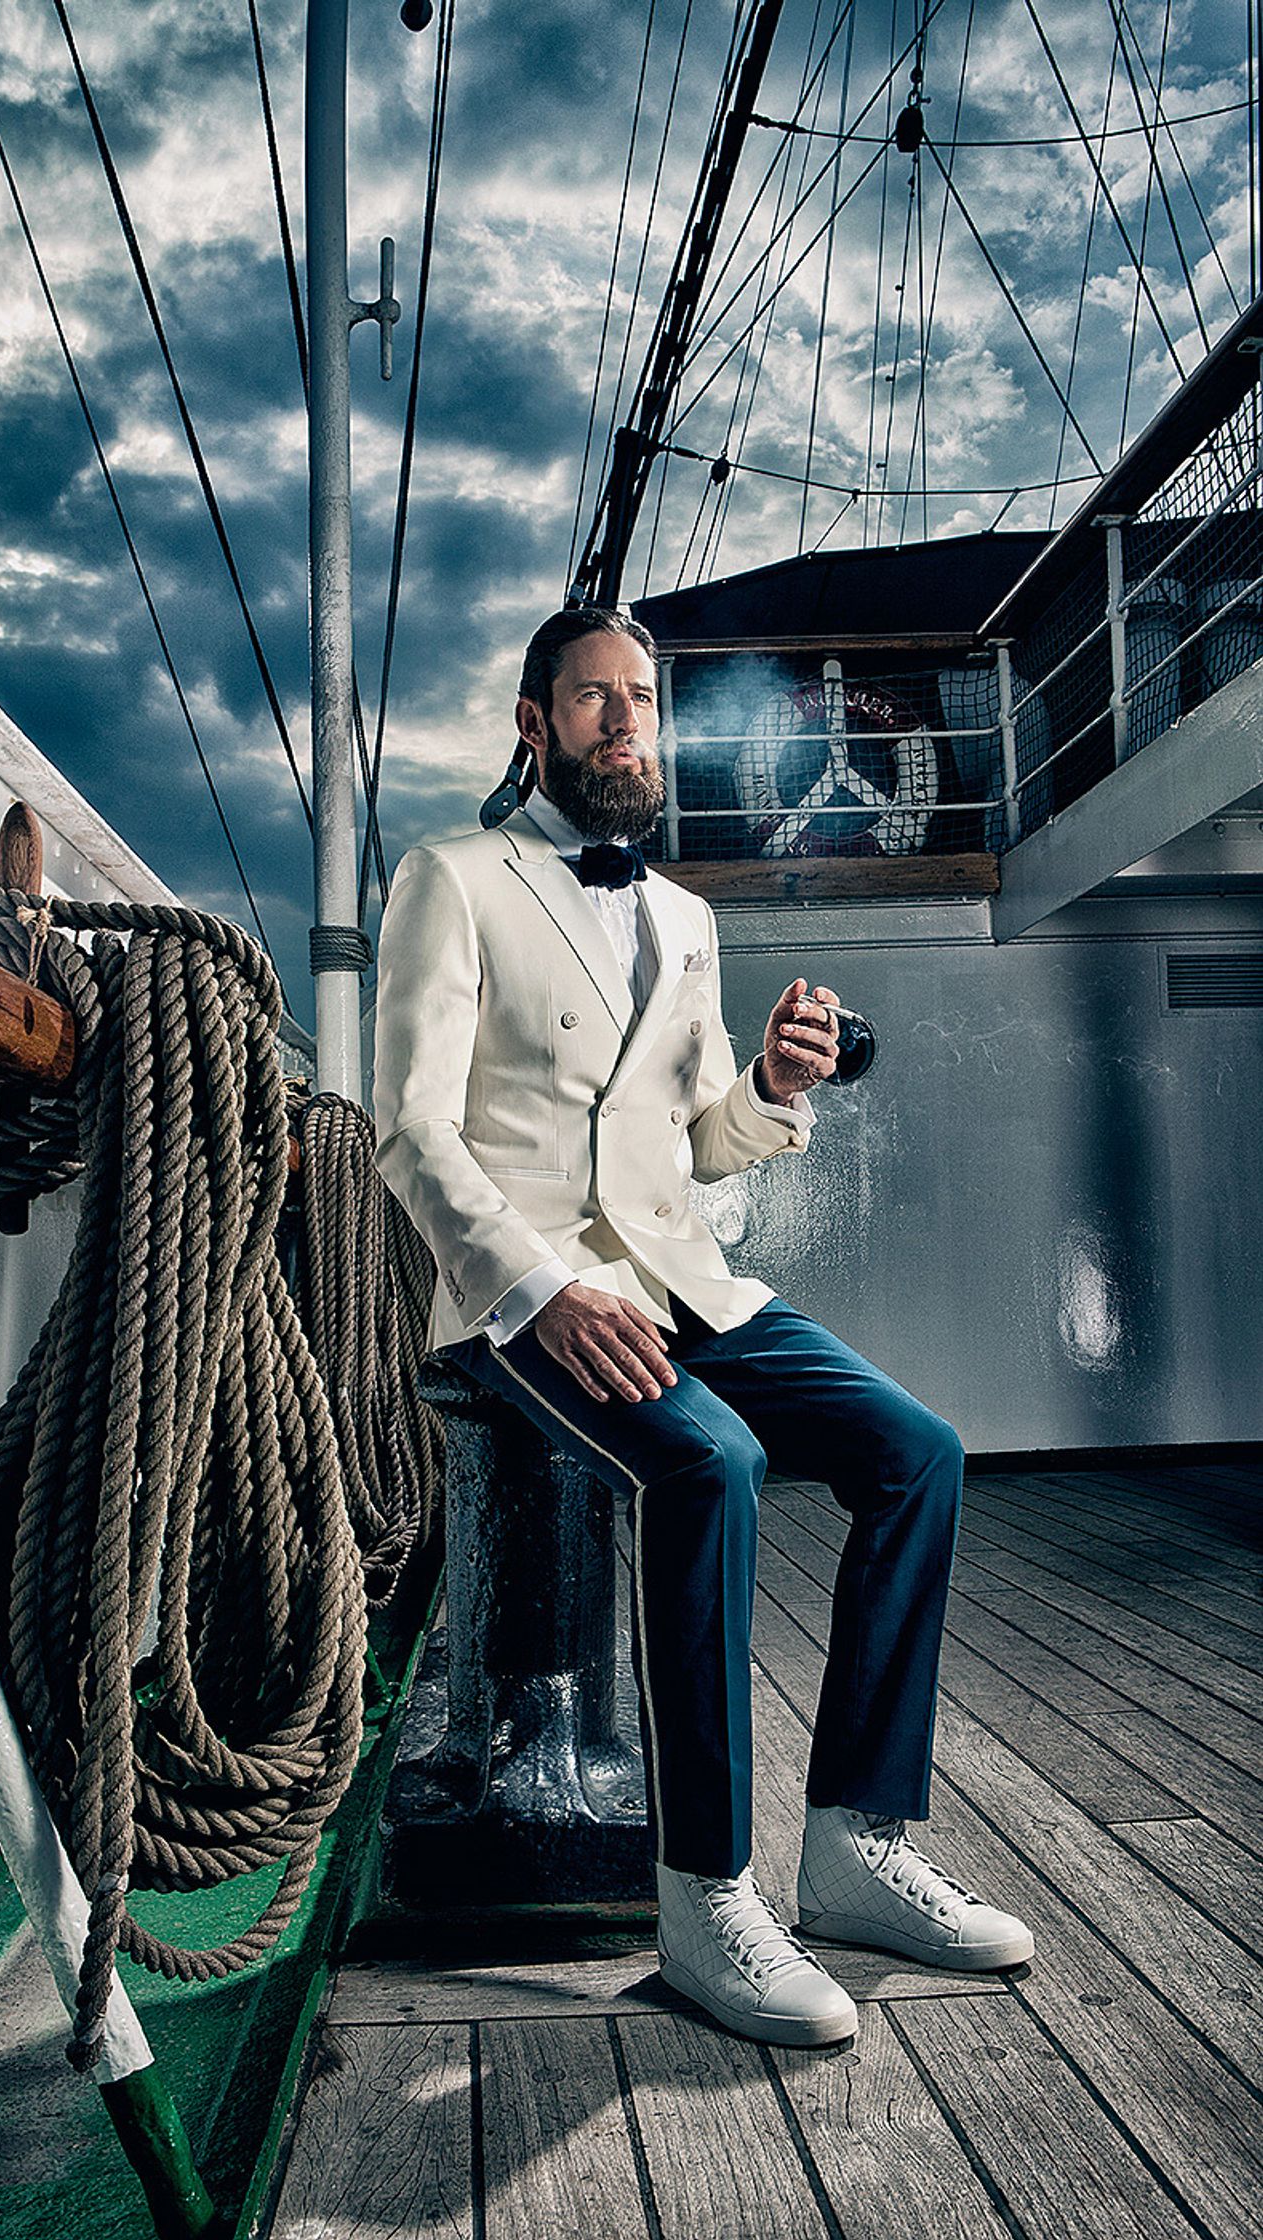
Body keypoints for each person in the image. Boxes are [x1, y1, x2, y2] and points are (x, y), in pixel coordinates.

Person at [373, 605, 1033, 2047]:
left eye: (643, 703)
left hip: (679, 1279)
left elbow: (692, 1146)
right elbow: (406, 1131)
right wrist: (540, 1293)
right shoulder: (452, 877)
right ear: (533, 727)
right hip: (521, 1295)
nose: (627, 724)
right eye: (595, 701)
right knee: (708, 1462)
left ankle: (855, 1847)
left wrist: (775, 1086)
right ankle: (702, 1899)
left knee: (916, 1449)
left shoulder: (682, 917)